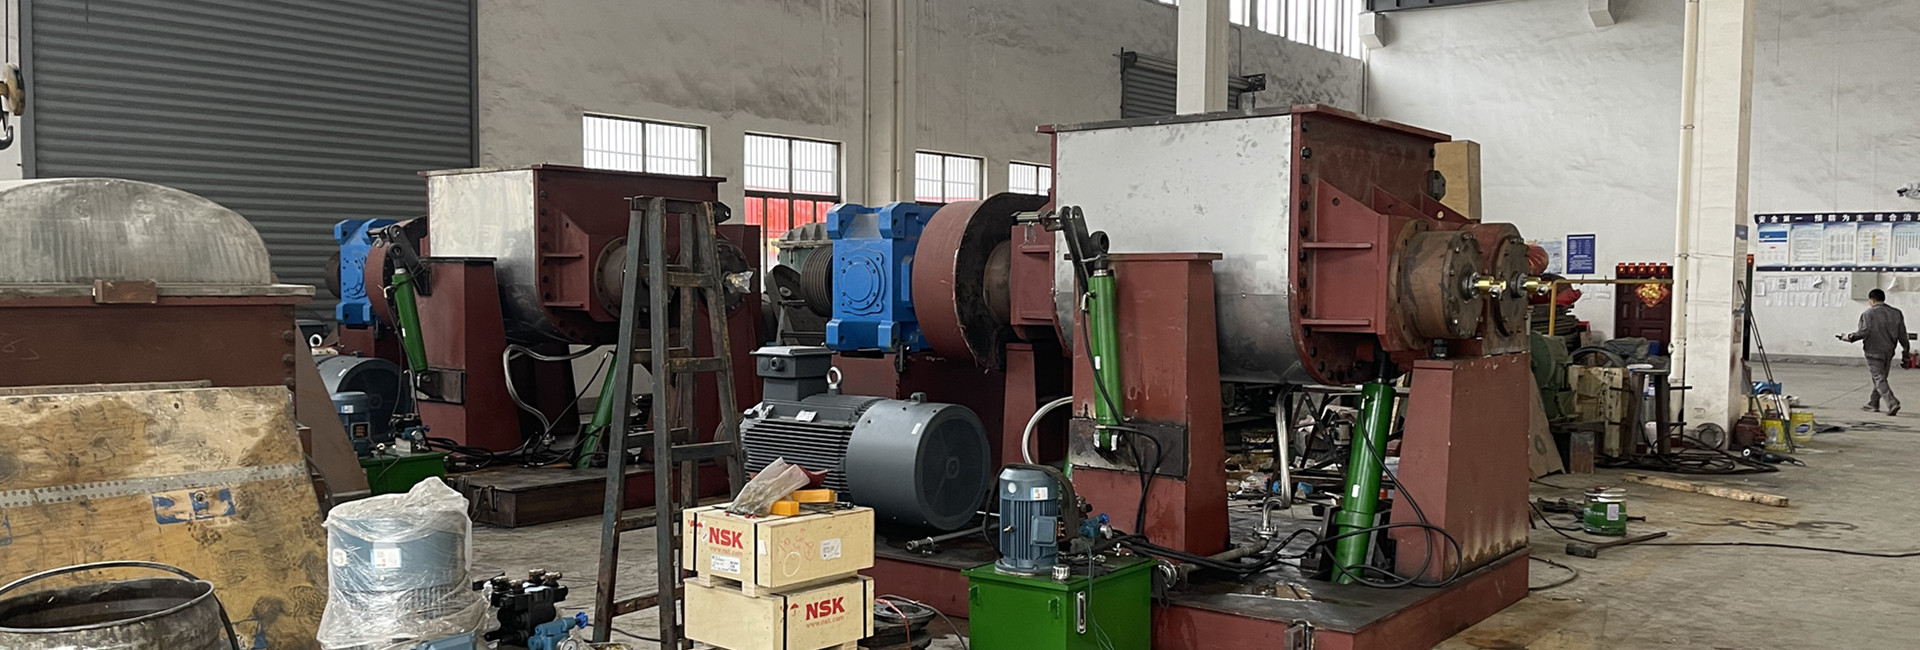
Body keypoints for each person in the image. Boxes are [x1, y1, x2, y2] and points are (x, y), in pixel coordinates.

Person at [1838, 289, 1910, 415]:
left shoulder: (1868, 313)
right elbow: (1902, 334)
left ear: (1872, 300)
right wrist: (1906, 350)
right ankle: (1873, 403)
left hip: (1874, 351)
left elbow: (1863, 332)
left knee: (1879, 378)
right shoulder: (1896, 313)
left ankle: (1892, 402)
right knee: (1880, 378)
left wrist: (1848, 337)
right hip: (1889, 351)